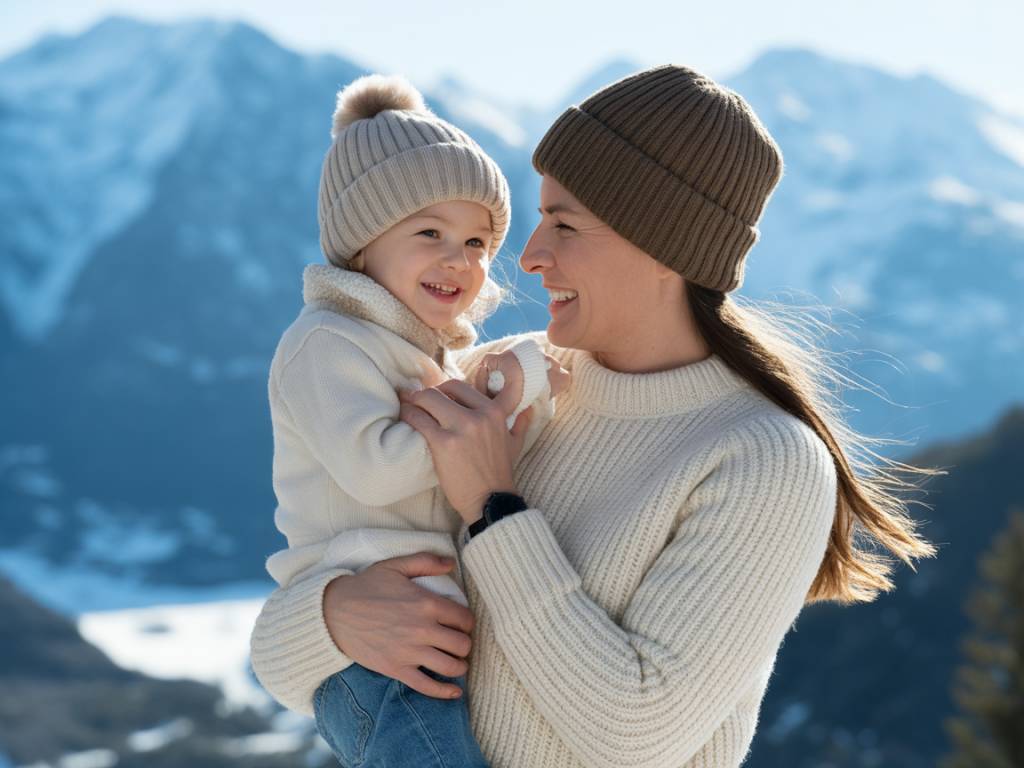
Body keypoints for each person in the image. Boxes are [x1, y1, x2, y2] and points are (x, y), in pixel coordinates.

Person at [250, 64, 938, 768]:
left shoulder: (764, 459)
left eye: (564, 224)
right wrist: (333, 616)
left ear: (664, 244)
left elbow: (634, 735)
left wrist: (495, 511)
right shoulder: (512, 383)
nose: (529, 256)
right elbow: (280, 657)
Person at [259, 73, 570, 768]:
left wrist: (508, 403)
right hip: (370, 658)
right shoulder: (328, 342)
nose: (458, 260)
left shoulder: (413, 350)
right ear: (363, 243)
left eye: (477, 242)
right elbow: (375, 468)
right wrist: (496, 400)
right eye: (429, 232)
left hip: (413, 637)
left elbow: (471, 451)